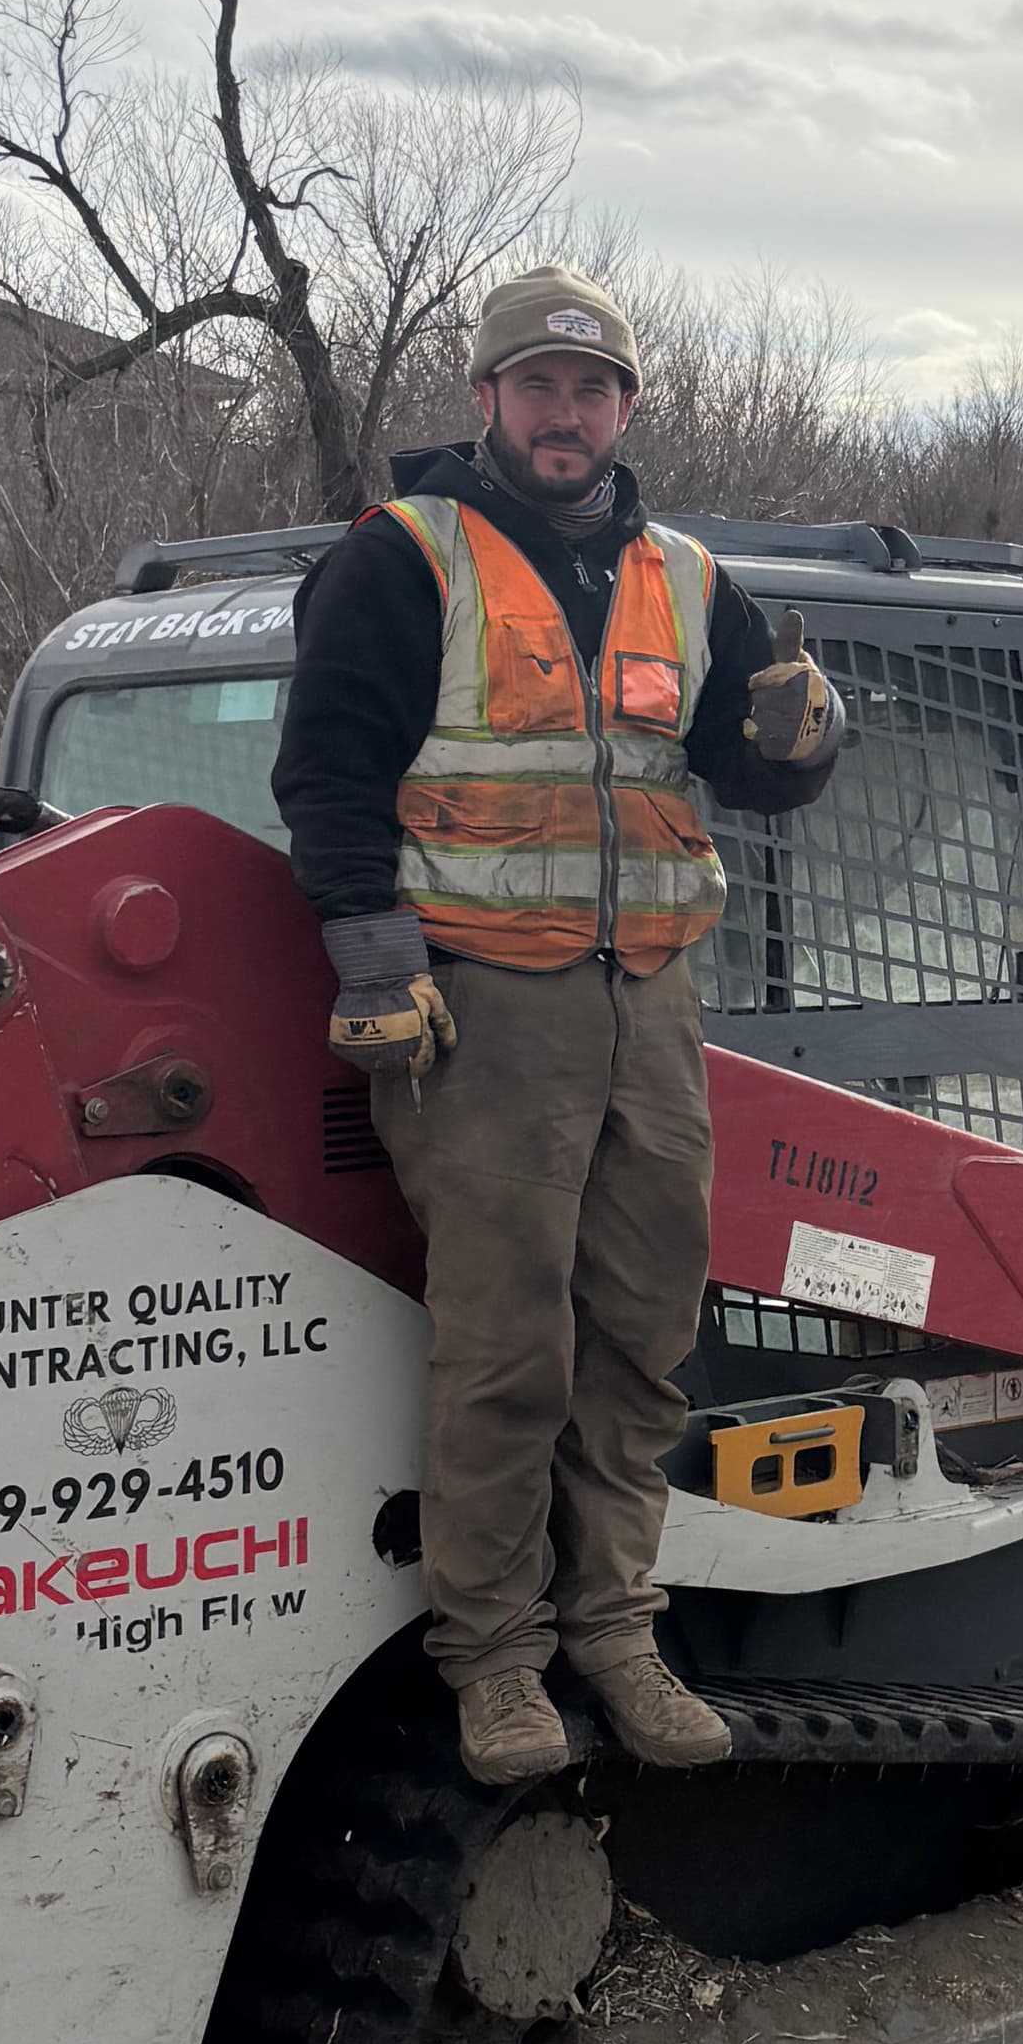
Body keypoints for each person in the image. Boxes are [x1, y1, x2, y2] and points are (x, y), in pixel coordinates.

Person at [272, 272, 847, 1787]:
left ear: (627, 410)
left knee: (647, 1331)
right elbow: (328, 775)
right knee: (505, 1342)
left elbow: (730, 769)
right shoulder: (405, 560)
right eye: (538, 387)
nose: (565, 415)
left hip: (649, 1003)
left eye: (591, 391)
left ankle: (615, 1627)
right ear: (488, 400)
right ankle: (497, 1659)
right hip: (485, 1010)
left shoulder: (687, 576)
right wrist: (374, 954)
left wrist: (803, 743)